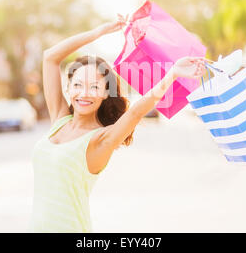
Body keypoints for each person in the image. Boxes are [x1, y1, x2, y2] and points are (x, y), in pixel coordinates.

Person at [29, 14, 206, 232]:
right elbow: (50, 57)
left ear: (106, 93)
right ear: (68, 88)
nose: (84, 93)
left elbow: (135, 113)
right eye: (78, 85)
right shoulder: (60, 120)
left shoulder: (100, 139)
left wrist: (172, 74)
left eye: (94, 87)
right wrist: (97, 33)